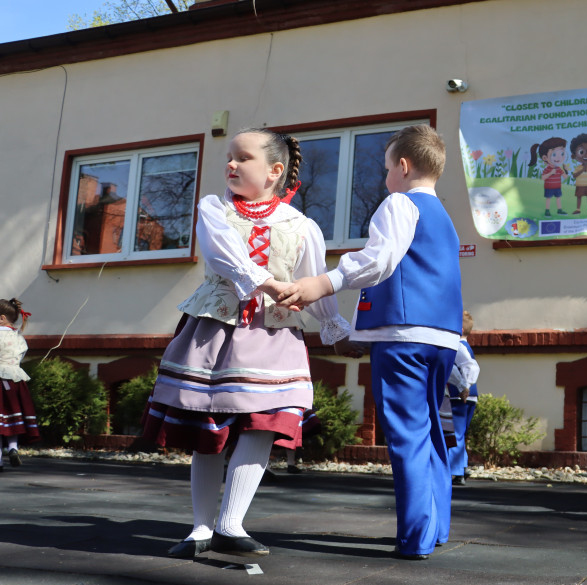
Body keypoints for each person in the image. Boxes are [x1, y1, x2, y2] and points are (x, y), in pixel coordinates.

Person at [143, 128, 352, 559]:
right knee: (209, 428)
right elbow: (222, 254)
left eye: (243, 158)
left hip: (274, 335)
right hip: (216, 331)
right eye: (229, 158)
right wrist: (267, 281)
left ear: (275, 171)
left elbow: (311, 285)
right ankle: (200, 527)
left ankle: (230, 523)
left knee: (266, 423)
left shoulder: (302, 226)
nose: (231, 165)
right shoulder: (215, 207)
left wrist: (336, 329)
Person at [279, 124, 463, 560]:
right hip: (442, 337)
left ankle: (415, 537)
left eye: (385, 169)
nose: (384, 179)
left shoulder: (399, 203)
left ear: (402, 166)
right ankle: (435, 528)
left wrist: (327, 281)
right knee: (431, 432)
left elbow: (380, 259)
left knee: (406, 435)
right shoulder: (446, 219)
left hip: (402, 335)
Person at [0, 298, 39, 470]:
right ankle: (13, 448)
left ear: (1, 318)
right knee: (12, 418)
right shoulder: (19, 338)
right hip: (16, 381)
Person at [448, 310, 480, 486]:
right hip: (470, 396)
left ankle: (457, 470)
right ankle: (462, 465)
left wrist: (464, 386)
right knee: (461, 433)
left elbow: (471, 367)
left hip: (458, 395)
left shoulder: (458, 347)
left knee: (456, 433)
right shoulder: (466, 346)